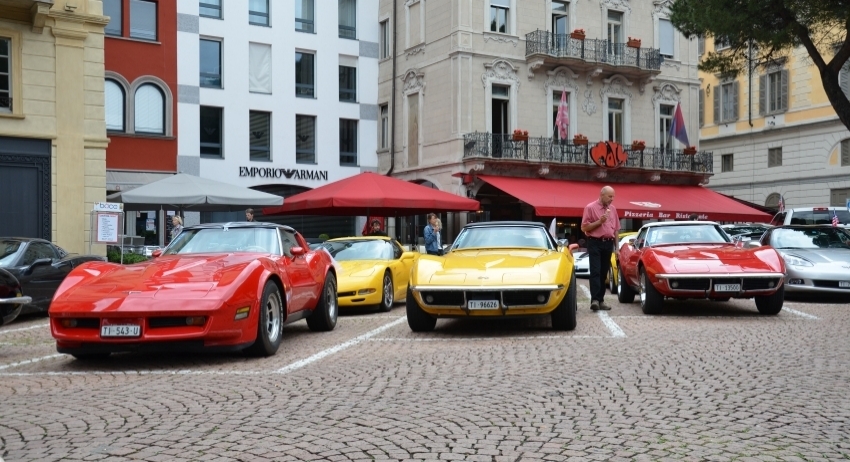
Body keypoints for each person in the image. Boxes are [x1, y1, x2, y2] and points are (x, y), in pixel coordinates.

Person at [580, 185, 620, 311]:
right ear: (602, 195)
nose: (612, 199)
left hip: (608, 243)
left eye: (613, 196)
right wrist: (599, 222)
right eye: (610, 196)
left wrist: (617, 247)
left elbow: (617, 229)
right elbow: (584, 228)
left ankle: (601, 300)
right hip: (595, 242)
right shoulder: (590, 207)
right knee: (595, 271)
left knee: (604, 272)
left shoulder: (613, 209)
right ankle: (595, 300)